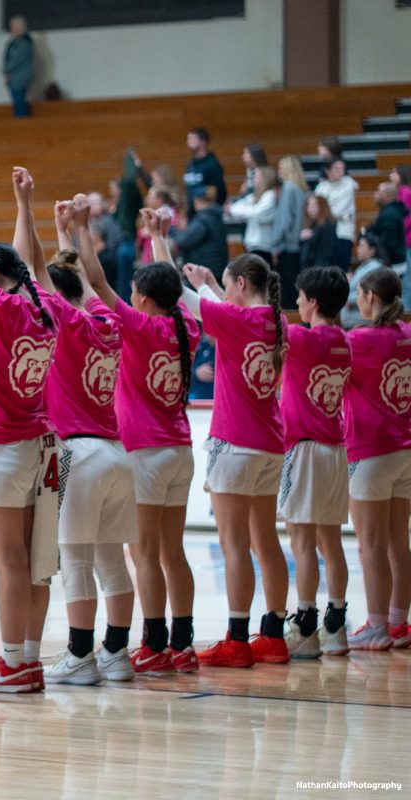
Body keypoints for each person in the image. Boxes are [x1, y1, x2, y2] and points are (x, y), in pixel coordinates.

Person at [0, 168, 58, 694]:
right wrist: (24, 203)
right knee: (35, 563)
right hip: (43, 446)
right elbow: (30, 264)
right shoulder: (47, 310)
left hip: (2, 448)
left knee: (9, 564)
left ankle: (14, 662)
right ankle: (28, 660)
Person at [97, 208, 200, 674]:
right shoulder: (186, 327)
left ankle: (154, 644)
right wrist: (159, 238)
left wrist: (78, 233)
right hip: (180, 449)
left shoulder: (139, 326)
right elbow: (170, 285)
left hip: (146, 452)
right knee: (173, 551)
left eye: (136, 291)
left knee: (145, 554)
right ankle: (183, 643)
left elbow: (98, 287)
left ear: (142, 298)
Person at [39, 197, 136, 686]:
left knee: (75, 559)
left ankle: (80, 656)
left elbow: (45, 279)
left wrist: (44, 222)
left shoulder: (66, 324)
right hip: (118, 453)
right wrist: (71, 231)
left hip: (79, 452)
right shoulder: (108, 323)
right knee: (111, 559)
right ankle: (116, 652)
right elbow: (79, 279)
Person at [181, 255, 288, 668]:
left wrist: (160, 243)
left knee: (234, 545)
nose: (224, 295)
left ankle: (238, 638)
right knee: (266, 541)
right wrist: (210, 282)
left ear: (241, 284)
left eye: (228, 286)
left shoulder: (238, 321)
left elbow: (182, 298)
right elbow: (221, 307)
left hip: (235, 442)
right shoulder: (276, 321)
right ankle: (274, 635)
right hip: (270, 443)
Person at [280, 266, 352, 659]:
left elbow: (257, 324)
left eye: (301, 297)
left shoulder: (302, 340)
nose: (297, 304)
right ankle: (336, 625)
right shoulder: (345, 341)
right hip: (335, 448)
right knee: (331, 542)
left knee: (302, 542)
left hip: (304, 448)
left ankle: (305, 626)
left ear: (314, 302)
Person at [343, 267, 411, 651]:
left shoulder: (359, 341)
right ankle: (399, 624)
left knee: (370, 545)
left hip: (370, 451)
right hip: (405, 450)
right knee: (399, 542)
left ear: (370, 297)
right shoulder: (407, 334)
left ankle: (377, 627)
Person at [270, 156, 309, 308]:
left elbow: (285, 218)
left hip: (287, 245)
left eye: (281, 168)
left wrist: (275, 241)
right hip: (298, 243)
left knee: (286, 289)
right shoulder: (301, 189)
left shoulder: (288, 187)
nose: (279, 172)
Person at [171, 186, 228, 280]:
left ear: (196, 201)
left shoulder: (203, 220)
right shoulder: (215, 216)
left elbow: (184, 240)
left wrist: (171, 229)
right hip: (216, 268)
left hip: (206, 271)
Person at [225, 166, 277, 267]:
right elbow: (238, 206)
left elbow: (257, 212)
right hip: (252, 246)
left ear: (264, 178)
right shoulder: (254, 196)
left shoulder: (269, 196)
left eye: (257, 176)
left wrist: (234, 210)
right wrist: (233, 209)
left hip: (264, 246)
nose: (253, 178)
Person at [112, 149, 146, 299]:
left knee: (126, 282)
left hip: (128, 242)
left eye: (113, 188)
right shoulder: (121, 203)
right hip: (128, 242)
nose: (111, 191)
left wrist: (134, 167)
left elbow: (129, 181)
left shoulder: (127, 191)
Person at [314, 158, 359, 271]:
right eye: (337, 169)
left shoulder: (348, 184)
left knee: (341, 269)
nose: (341, 172)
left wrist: (327, 209)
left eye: (342, 169)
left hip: (343, 232)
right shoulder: (322, 187)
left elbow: (337, 211)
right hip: (325, 232)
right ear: (327, 171)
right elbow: (317, 209)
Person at [340, 232, 387, 330]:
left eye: (361, 246)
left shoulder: (374, 267)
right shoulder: (366, 266)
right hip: (354, 322)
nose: (357, 249)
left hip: (362, 322)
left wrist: (348, 300)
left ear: (372, 251)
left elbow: (371, 293)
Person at [182, 128, 226, 218]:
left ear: (203, 141)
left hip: (207, 214)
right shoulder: (191, 164)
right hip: (192, 213)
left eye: (192, 139)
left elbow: (218, 191)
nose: (188, 142)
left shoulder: (212, 164)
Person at [87, 192, 123, 289]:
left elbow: (114, 243)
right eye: (90, 202)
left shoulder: (109, 221)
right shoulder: (83, 223)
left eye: (96, 202)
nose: (92, 205)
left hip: (105, 262)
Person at [371, 182, 408, 270]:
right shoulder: (390, 211)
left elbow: (387, 243)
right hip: (395, 262)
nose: (375, 194)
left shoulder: (389, 214)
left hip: (392, 264)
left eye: (379, 192)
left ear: (387, 196)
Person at [2, 16, 33, 118]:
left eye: (14, 26)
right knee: (16, 101)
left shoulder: (25, 43)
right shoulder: (12, 43)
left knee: (19, 101)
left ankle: (21, 121)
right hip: (12, 77)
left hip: (20, 77)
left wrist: (6, 69)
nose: (12, 29)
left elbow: (17, 60)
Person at [300, 194, 338, 273]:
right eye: (308, 205)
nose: (310, 209)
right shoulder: (313, 225)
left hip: (319, 272)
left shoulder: (326, 226)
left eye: (314, 205)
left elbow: (324, 254)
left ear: (322, 207)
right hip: (310, 270)